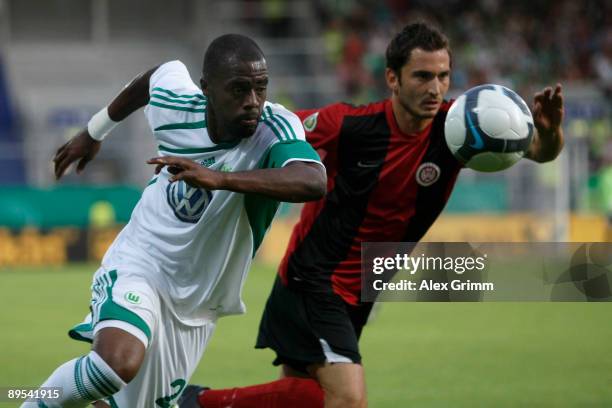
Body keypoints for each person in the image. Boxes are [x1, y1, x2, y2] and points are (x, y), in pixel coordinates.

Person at [180, 22, 565, 408]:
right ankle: (198, 402)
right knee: (348, 400)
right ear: (392, 78)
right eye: (422, 76)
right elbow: (269, 129)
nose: (435, 88)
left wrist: (547, 135)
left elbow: (537, 151)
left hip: (358, 293)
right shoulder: (351, 126)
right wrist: (202, 154)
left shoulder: (458, 129)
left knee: (309, 400)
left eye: (444, 76)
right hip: (314, 281)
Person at [22, 34, 327, 408]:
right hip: (142, 263)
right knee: (113, 365)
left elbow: (313, 180)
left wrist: (222, 179)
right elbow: (155, 78)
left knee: (120, 402)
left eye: (260, 88)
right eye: (239, 89)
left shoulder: (274, 128)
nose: (253, 102)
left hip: (198, 305)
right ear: (207, 90)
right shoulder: (177, 106)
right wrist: (94, 131)